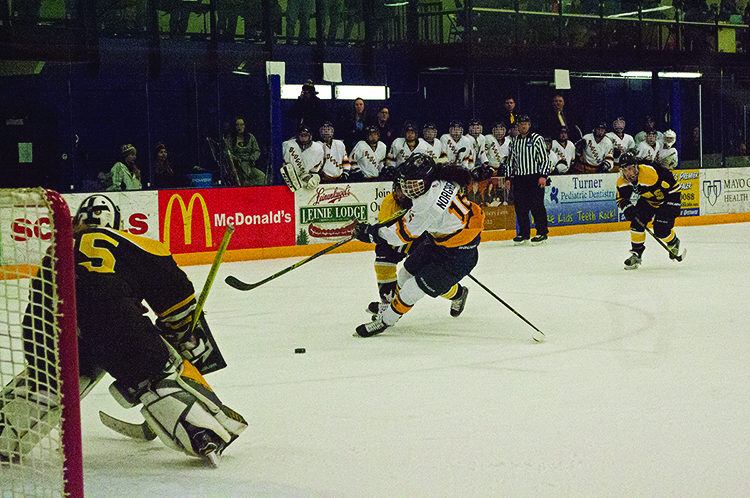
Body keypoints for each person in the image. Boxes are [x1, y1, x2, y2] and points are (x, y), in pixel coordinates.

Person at [1, 195, 247, 465]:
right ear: (117, 220)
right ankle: (202, 433)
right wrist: (180, 334)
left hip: (42, 326)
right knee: (154, 371)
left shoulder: (58, 247)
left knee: (49, 379)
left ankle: (6, 430)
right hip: (113, 321)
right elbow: (176, 298)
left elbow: (45, 297)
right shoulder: (134, 242)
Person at [352, 153, 485, 337]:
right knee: (405, 274)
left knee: (413, 288)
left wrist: (371, 234)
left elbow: (399, 236)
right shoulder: (440, 179)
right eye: (407, 183)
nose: (408, 188)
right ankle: (458, 294)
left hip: (459, 253)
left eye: (413, 183)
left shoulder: (427, 206)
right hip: (443, 239)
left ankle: (386, 320)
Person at [616, 153, 683, 269]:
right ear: (622, 171)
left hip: (669, 198)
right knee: (636, 223)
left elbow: (672, 188)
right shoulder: (622, 181)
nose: (630, 173)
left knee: (660, 229)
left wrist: (672, 207)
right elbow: (621, 198)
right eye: (626, 170)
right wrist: (627, 208)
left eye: (631, 168)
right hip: (648, 200)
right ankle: (636, 254)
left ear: (636, 166)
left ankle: (673, 241)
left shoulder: (649, 174)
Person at [504, 115, 550, 245]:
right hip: (519, 178)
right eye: (521, 124)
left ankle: (542, 232)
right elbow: (510, 161)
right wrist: (508, 177)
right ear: (517, 126)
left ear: (529, 125)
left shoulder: (537, 139)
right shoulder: (514, 141)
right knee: (520, 207)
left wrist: (543, 176)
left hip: (534, 177)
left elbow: (544, 159)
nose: (523, 126)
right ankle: (524, 233)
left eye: (526, 123)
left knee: (537, 206)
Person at [281, 125, 325, 191]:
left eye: (306, 136)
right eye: (302, 136)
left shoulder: (317, 148)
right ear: (298, 136)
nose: (304, 138)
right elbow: (283, 164)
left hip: (306, 179)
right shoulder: (287, 145)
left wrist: (312, 176)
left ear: (310, 136)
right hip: (289, 181)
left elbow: (315, 169)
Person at [225, 117, 264, 186]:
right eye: (237, 125)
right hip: (237, 167)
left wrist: (253, 157)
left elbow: (257, 150)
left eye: (241, 125)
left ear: (245, 126)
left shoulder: (251, 137)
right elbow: (228, 153)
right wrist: (235, 159)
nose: (239, 127)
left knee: (261, 176)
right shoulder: (231, 138)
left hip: (249, 165)